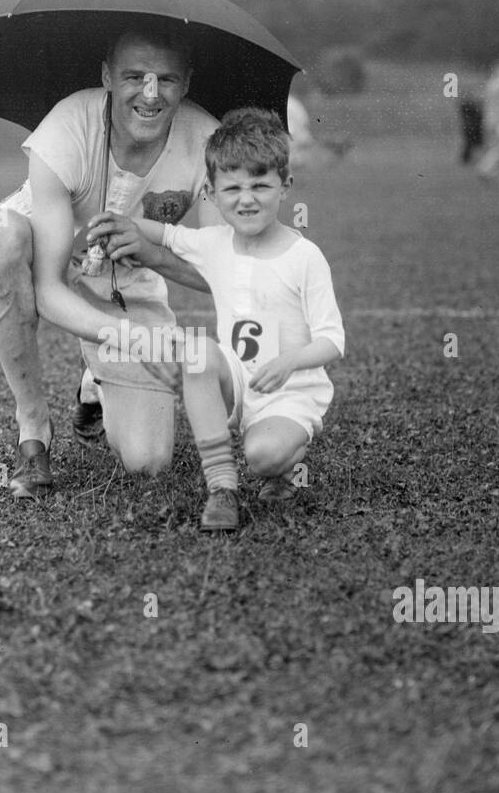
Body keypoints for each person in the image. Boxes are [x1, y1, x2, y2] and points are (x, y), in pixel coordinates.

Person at [0, 21, 221, 498]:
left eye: (166, 79)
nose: (150, 94)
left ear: (186, 82)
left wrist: (153, 253)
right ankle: (33, 429)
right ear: (107, 76)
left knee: (148, 463)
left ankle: (93, 387)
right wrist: (128, 338)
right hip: (51, 250)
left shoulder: (209, 142)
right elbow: (48, 288)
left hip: (128, 274)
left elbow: (227, 274)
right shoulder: (67, 124)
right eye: (134, 77)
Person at [127, 107, 345, 531]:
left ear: (285, 186)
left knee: (262, 457)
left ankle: (284, 459)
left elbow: (333, 341)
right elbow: (163, 233)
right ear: (211, 191)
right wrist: (117, 223)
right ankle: (222, 489)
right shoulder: (214, 243)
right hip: (236, 381)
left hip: (288, 390)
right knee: (198, 354)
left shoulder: (305, 258)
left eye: (261, 185)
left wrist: (288, 362)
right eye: (232, 188)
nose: (246, 199)